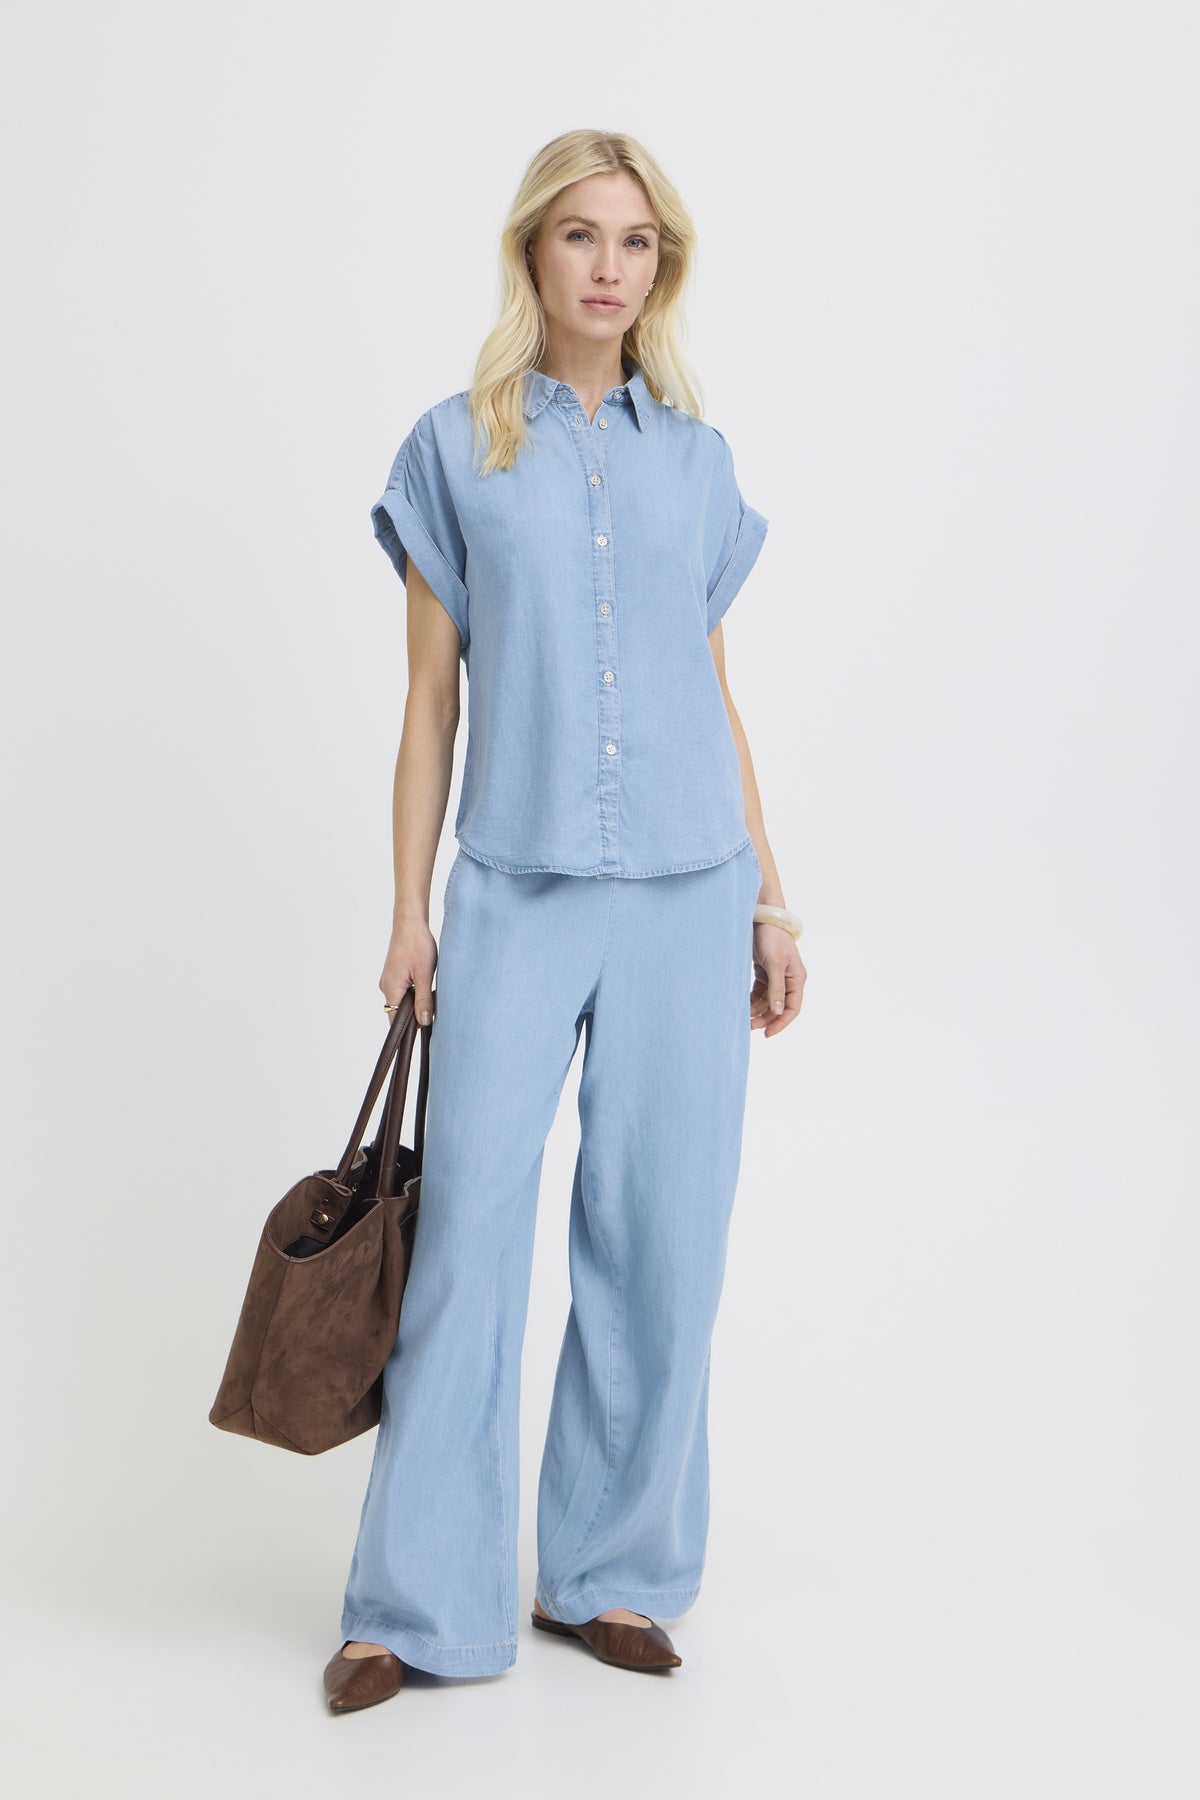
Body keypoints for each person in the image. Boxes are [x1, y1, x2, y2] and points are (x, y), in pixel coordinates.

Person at [322, 128, 806, 1715]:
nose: (610, 266)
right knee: (464, 1239)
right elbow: (429, 705)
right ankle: (415, 1604)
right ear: (533, 250)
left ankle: (611, 1573)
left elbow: (715, 695)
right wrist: (408, 909)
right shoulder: (455, 448)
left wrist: (772, 895)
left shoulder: (699, 462)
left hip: (688, 891)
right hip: (515, 890)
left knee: (661, 1244)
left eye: (637, 241)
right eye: (582, 235)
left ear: (663, 268)